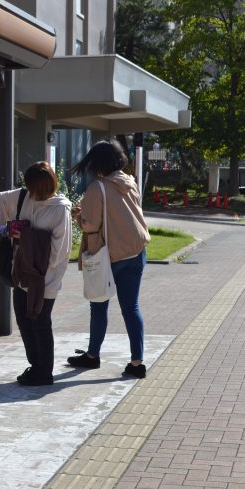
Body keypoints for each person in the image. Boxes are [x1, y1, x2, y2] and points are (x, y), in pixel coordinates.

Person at [0, 162, 72, 386]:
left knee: (40, 321)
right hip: (21, 273)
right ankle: (35, 366)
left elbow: (59, 252)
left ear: (47, 187)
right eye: (29, 188)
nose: (31, 194)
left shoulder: (60, 208)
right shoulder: (24, 196)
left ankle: (44, 372)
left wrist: (26, 239)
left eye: (35, 189)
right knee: (23, 319)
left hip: (46, 279)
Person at [67, 140, 151, 379]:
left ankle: (93, 356)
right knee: (131, 307)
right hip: (136, 251)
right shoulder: (130, 182)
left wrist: (78, 215)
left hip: (109, 254)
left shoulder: (98, 188)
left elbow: (90, 225)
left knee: (99, 304)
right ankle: (137, 362)